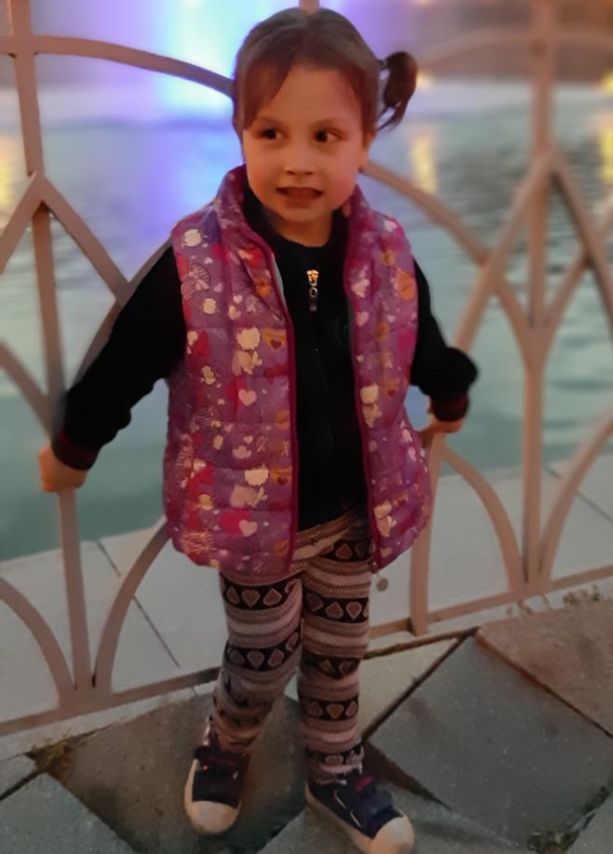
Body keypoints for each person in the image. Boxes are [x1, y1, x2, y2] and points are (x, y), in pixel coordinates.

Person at [39, 8, 478, 853]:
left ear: (365, 141)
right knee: (262, 654)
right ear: (240, 130)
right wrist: (75, 445)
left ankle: (336, 767)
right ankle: (228, 741)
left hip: (356, 512)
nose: (298, 160)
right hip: (255, 523)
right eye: (272, 132)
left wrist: (449, 389)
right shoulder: (198, 263)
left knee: (341, 653)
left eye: (325, 135)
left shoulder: (385, 251)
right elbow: (128, 358)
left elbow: (415, 337)